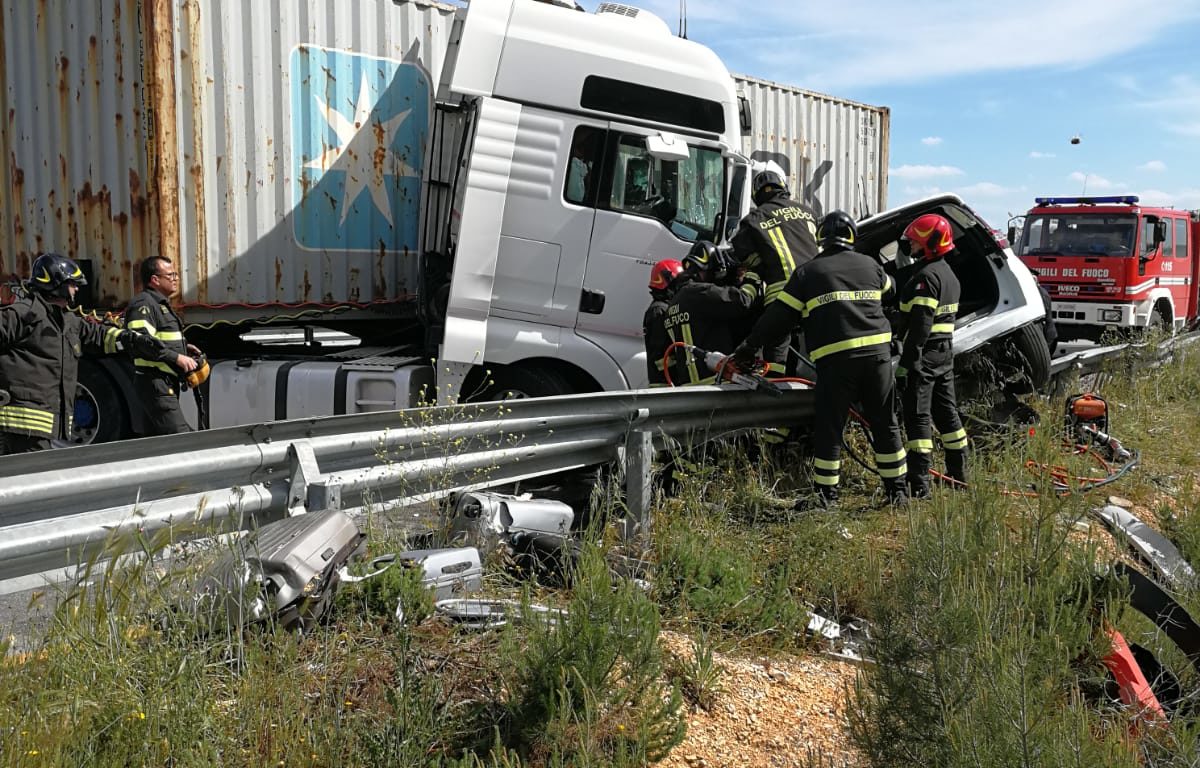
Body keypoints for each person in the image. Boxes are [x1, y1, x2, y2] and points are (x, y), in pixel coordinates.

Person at [732, 211, 907, 506]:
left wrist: (749, 347)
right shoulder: (870, 265)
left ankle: (826, 497)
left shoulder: (807, 273)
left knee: (830, 428)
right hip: (878, 358)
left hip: (836, 361)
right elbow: (891, 290)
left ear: (820, 238)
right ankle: (897, 492)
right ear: (852, 236)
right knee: (884, 422)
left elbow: (778, 318)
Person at [0, 253, 185, 454]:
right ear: (56, 284)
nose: (77, 289)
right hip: (19, 424)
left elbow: (99, 336)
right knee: (33, 472)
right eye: (72, 284)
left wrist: (132, 339)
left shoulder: (67, 322)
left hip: (40, 427)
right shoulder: (21, 315)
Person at [895, 214, 968, 497]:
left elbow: (920, 328)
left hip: (924, 356)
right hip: (944, 354)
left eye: (915, 241)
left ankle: (919, 485)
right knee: (947, 414)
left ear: (929, 242)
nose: (911, 245)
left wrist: (907, 365)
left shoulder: (926, 277)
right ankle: (959, 475)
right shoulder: (949, 275)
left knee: (918, 416)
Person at [730, 168, 819, 369]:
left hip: (782, 296)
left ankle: (776, 381)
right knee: (821, 348)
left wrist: (757, 267)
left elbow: (742, 255)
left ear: (756, 195)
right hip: (817, 292)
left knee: (776, 353)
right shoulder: (809, 213)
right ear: (783, 187)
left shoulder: (754, 218)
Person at [661, 241, 761, 386]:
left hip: (688, 387)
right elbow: (742, 301)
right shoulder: (700, 292)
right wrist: (752, 279)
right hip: (714, 382)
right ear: (706, 269)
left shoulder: (673, 303)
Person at [125, 256, 202, 435]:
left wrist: (184, 347)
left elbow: (159, 338)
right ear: (155, 280)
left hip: (164, 382)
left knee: (156, 440)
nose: (176, 278)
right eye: (171, 275)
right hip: (155, 382)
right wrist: (177, 357)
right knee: (180, 437)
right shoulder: (144, 304)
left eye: (176, 274)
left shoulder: (160, 304)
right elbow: (140, 342)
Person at [643, 258, 685, 386]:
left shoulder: (662, 308)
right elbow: (661, 354)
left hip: (666, 383)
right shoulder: (659, 311)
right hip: (664, 384)